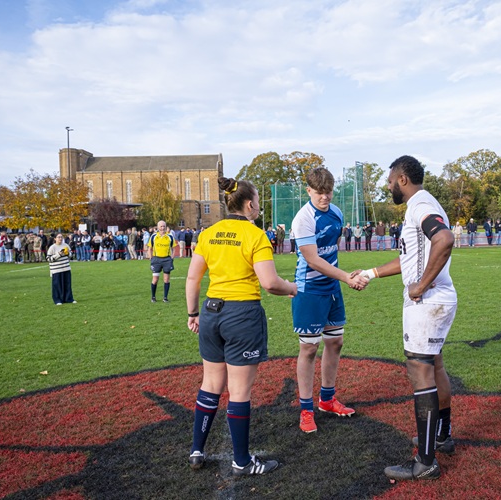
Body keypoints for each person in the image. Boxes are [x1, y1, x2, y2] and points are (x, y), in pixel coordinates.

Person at [185, 176, 296, 476]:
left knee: (210, 384)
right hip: (241, 315)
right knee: (238, 391)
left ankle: (197, 450)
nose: (258, 206)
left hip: (210, 311)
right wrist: (291, 288)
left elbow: (193, 278)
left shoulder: (209, 233)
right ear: (249, 204)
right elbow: (270, 283)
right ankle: (242, 461)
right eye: (258, 201)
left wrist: (192, 313)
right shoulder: (255, 235)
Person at [358, 155, 457, 481]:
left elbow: (445, 240)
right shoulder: (424, 204)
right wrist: (371, 273)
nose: (388, 186)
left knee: (419, 370)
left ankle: (425, 461)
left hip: (427, 302)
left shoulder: (419, 205)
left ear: (402, 179)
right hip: (435, 299)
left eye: (389, 181)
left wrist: (421, 285)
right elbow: (408, 259)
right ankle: (441, 436)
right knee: (435, 365)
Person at [291, 167, 367, 434]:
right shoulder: (303, 218)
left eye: (328, 192)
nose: (325, 197)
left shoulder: (336, 213)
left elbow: (332, 251)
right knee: (309, 349)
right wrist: (347, 277)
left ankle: (326, 399)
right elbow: (313, 259)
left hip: (332, 287)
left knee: (335, 342)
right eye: (319, 192)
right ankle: (306, 410)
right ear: (308, 190)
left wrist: (343, 277)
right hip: (309, 289)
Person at [147, 221, 178, 303]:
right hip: (156, 260)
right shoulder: (153, 236)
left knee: (166, 279)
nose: (162, 228)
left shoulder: (170, 237)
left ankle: (165, 297)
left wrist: (172, 258)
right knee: (155, 279)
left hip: (167, 260)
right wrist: (151, 258)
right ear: (157, 227)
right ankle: (153, 297)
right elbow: (149, 248)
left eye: (164, 226)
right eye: (161, 226)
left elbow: (174, 248)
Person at [46, 234, 75, 305]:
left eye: (61, 237)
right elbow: (49, 259)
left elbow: (71, 256)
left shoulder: (66, 245)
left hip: (66, 268)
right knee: (57, 285)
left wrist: (68, 253)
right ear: (55, 239)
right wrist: (59, 254)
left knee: (67, 284)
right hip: (56, 270)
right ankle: (57, 300)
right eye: (58, 237)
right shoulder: (52, 247)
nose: (60, 239)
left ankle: (69, 299)